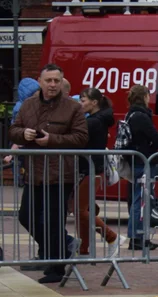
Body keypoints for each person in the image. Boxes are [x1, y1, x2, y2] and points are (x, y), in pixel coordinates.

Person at [10, 64, 88, 283]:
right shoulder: (27, 105)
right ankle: (61, 249)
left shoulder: (73, 107)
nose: (52, 84)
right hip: (34, 173)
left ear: (61, 82)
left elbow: (82, 138)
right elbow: (13, 130)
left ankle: (55, 267)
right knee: (26, 216)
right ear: (40, 81)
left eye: (56, 80)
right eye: (48, 80)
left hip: (60, 174)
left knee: (54, 220)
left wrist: (51, 140)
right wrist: (22, 134)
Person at [74, 87, 122, 256]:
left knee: (79, 209)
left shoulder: (93, 122)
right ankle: (83, 247)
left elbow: (77, 140)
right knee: (83, 208)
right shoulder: (98, 119)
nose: (80, 104)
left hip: (91, 169)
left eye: (83, 100)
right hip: (92, 169)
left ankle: (112, 237)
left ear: (94, 102)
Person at [121, 84, 158, 251]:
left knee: (139, 199)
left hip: (137, 161)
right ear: (144, 96)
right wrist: (153, 149)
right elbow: (155, 137)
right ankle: (137, 237)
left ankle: (137, 236)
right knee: (141, 200)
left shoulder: (131, 114)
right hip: (143, 162)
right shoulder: (141, 116)